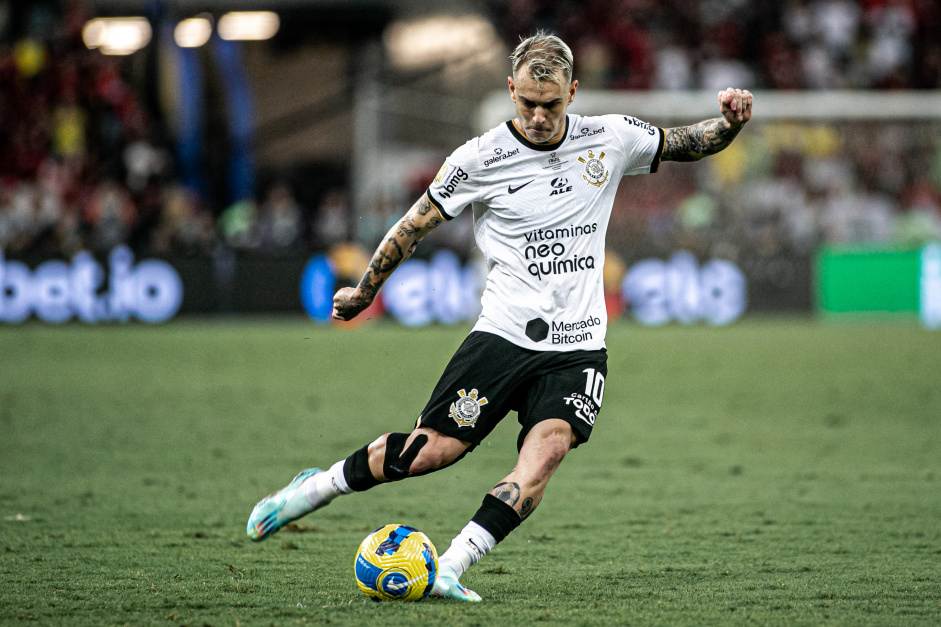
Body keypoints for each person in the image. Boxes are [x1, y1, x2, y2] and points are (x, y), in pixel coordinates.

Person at [247, 31, 753, 601]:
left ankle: (450, 568)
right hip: (503, 336)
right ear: (510, 89)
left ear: (573, 93)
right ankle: (316, 488)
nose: (538, 117)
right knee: (430, 452)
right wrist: (365, 291)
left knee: (548, 453)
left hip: (579, 345)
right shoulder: (478, 158)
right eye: (527, 103)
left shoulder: (609, 138)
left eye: (552, 105)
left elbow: (687, 141)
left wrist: (730, 123)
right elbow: (413, 225)